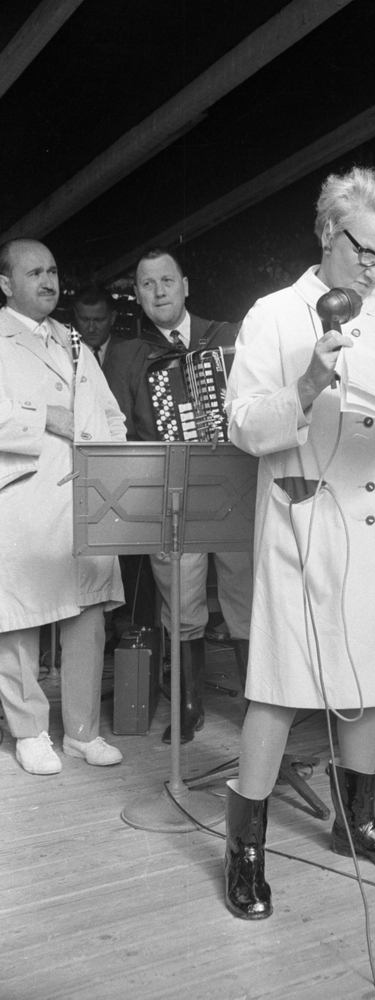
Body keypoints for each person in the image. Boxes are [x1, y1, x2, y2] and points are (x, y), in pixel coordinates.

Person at [223, 166, 375, 920]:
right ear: (328, 232)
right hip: (306, 519)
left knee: (370, 678)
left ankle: (356, 824)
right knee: (282, 687)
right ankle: (245, 848)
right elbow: (247, 427)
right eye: (366, 254)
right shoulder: (273, 316)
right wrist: (308, 385)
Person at [105, 248, 254, 743]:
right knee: (182, 601)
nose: (159, 291)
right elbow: (118, 430)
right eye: (147, 285)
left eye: (166, 280)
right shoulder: (126, 354)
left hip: (235, 486)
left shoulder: (229, 336)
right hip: (169, 493)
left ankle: (259, 700)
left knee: (245, 592)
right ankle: (188, 704)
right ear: (137, 294)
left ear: (185, 285)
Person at [0, 238, 125, 774]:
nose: (48, 281)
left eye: (52, 271)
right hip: (25, 496)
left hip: (86, 494)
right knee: (22, 619)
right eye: (34, 273)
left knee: (87, 616)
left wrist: (115, 465)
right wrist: (45, 418)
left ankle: (81, 732)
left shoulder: (73, 340)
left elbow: (112, 416)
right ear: (6, 284)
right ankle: (29, 732)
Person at [73, 285, 123, 374]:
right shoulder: (63, 353)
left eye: (99, 320)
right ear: (76, 316)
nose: (91, 329)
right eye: (84, 320)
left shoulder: (129, 353)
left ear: (113, 318)